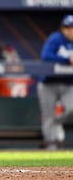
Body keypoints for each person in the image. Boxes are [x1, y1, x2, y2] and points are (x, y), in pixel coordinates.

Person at [38, 15, 73, 149]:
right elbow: (46, 56)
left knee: (72, 109)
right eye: (68, 28)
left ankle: (56, 122)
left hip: (69, 84)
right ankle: (51, 149)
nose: (70, 31)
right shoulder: (56, 38)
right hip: (48, 83)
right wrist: (67, 60)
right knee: (48, 116)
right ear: (63, 29)